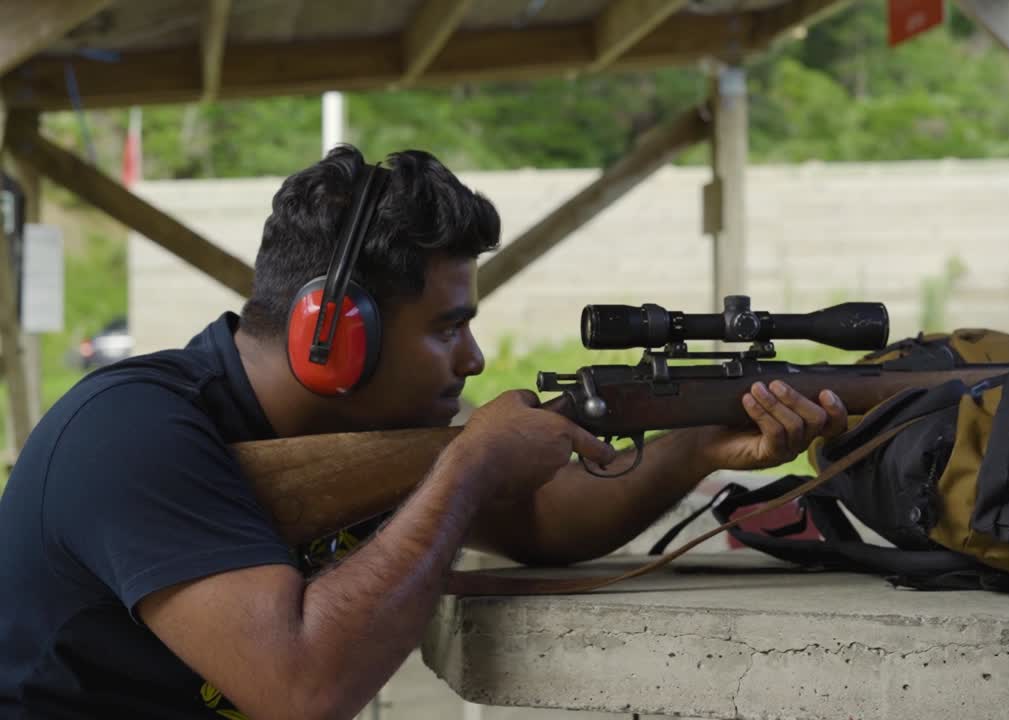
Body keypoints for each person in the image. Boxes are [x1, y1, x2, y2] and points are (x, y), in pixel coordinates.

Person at [0, 146, 848, 719]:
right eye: (448, 327)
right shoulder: (127, 437)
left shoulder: (358, 433)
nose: (474, 358)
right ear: (334, 332)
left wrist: (693, 444)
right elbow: (300, 682)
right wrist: (466, 468)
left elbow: (545, 525)